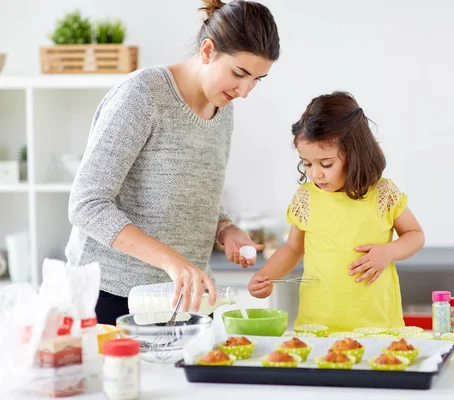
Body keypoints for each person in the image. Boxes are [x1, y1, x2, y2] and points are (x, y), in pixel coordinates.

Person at [66, 0, 280, 325]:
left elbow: (190, 194)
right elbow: (87, 205)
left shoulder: (223, 109)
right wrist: (173, 262)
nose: (246, 90)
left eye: (257, 79)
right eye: (239, 73)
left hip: (182, 299)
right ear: (207, 51)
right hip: (110, 295)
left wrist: (225, 229)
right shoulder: (144, 94)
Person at [248, 92, 425, 332]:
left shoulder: (383, 193)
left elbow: (414, 234)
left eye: (326, 164)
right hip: (318, 326)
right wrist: (265, 277)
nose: (315, 174)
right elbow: (293, 248)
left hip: (377, 326)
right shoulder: (307, 198)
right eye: (307, 164)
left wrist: (389, 251)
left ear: (355, 155)